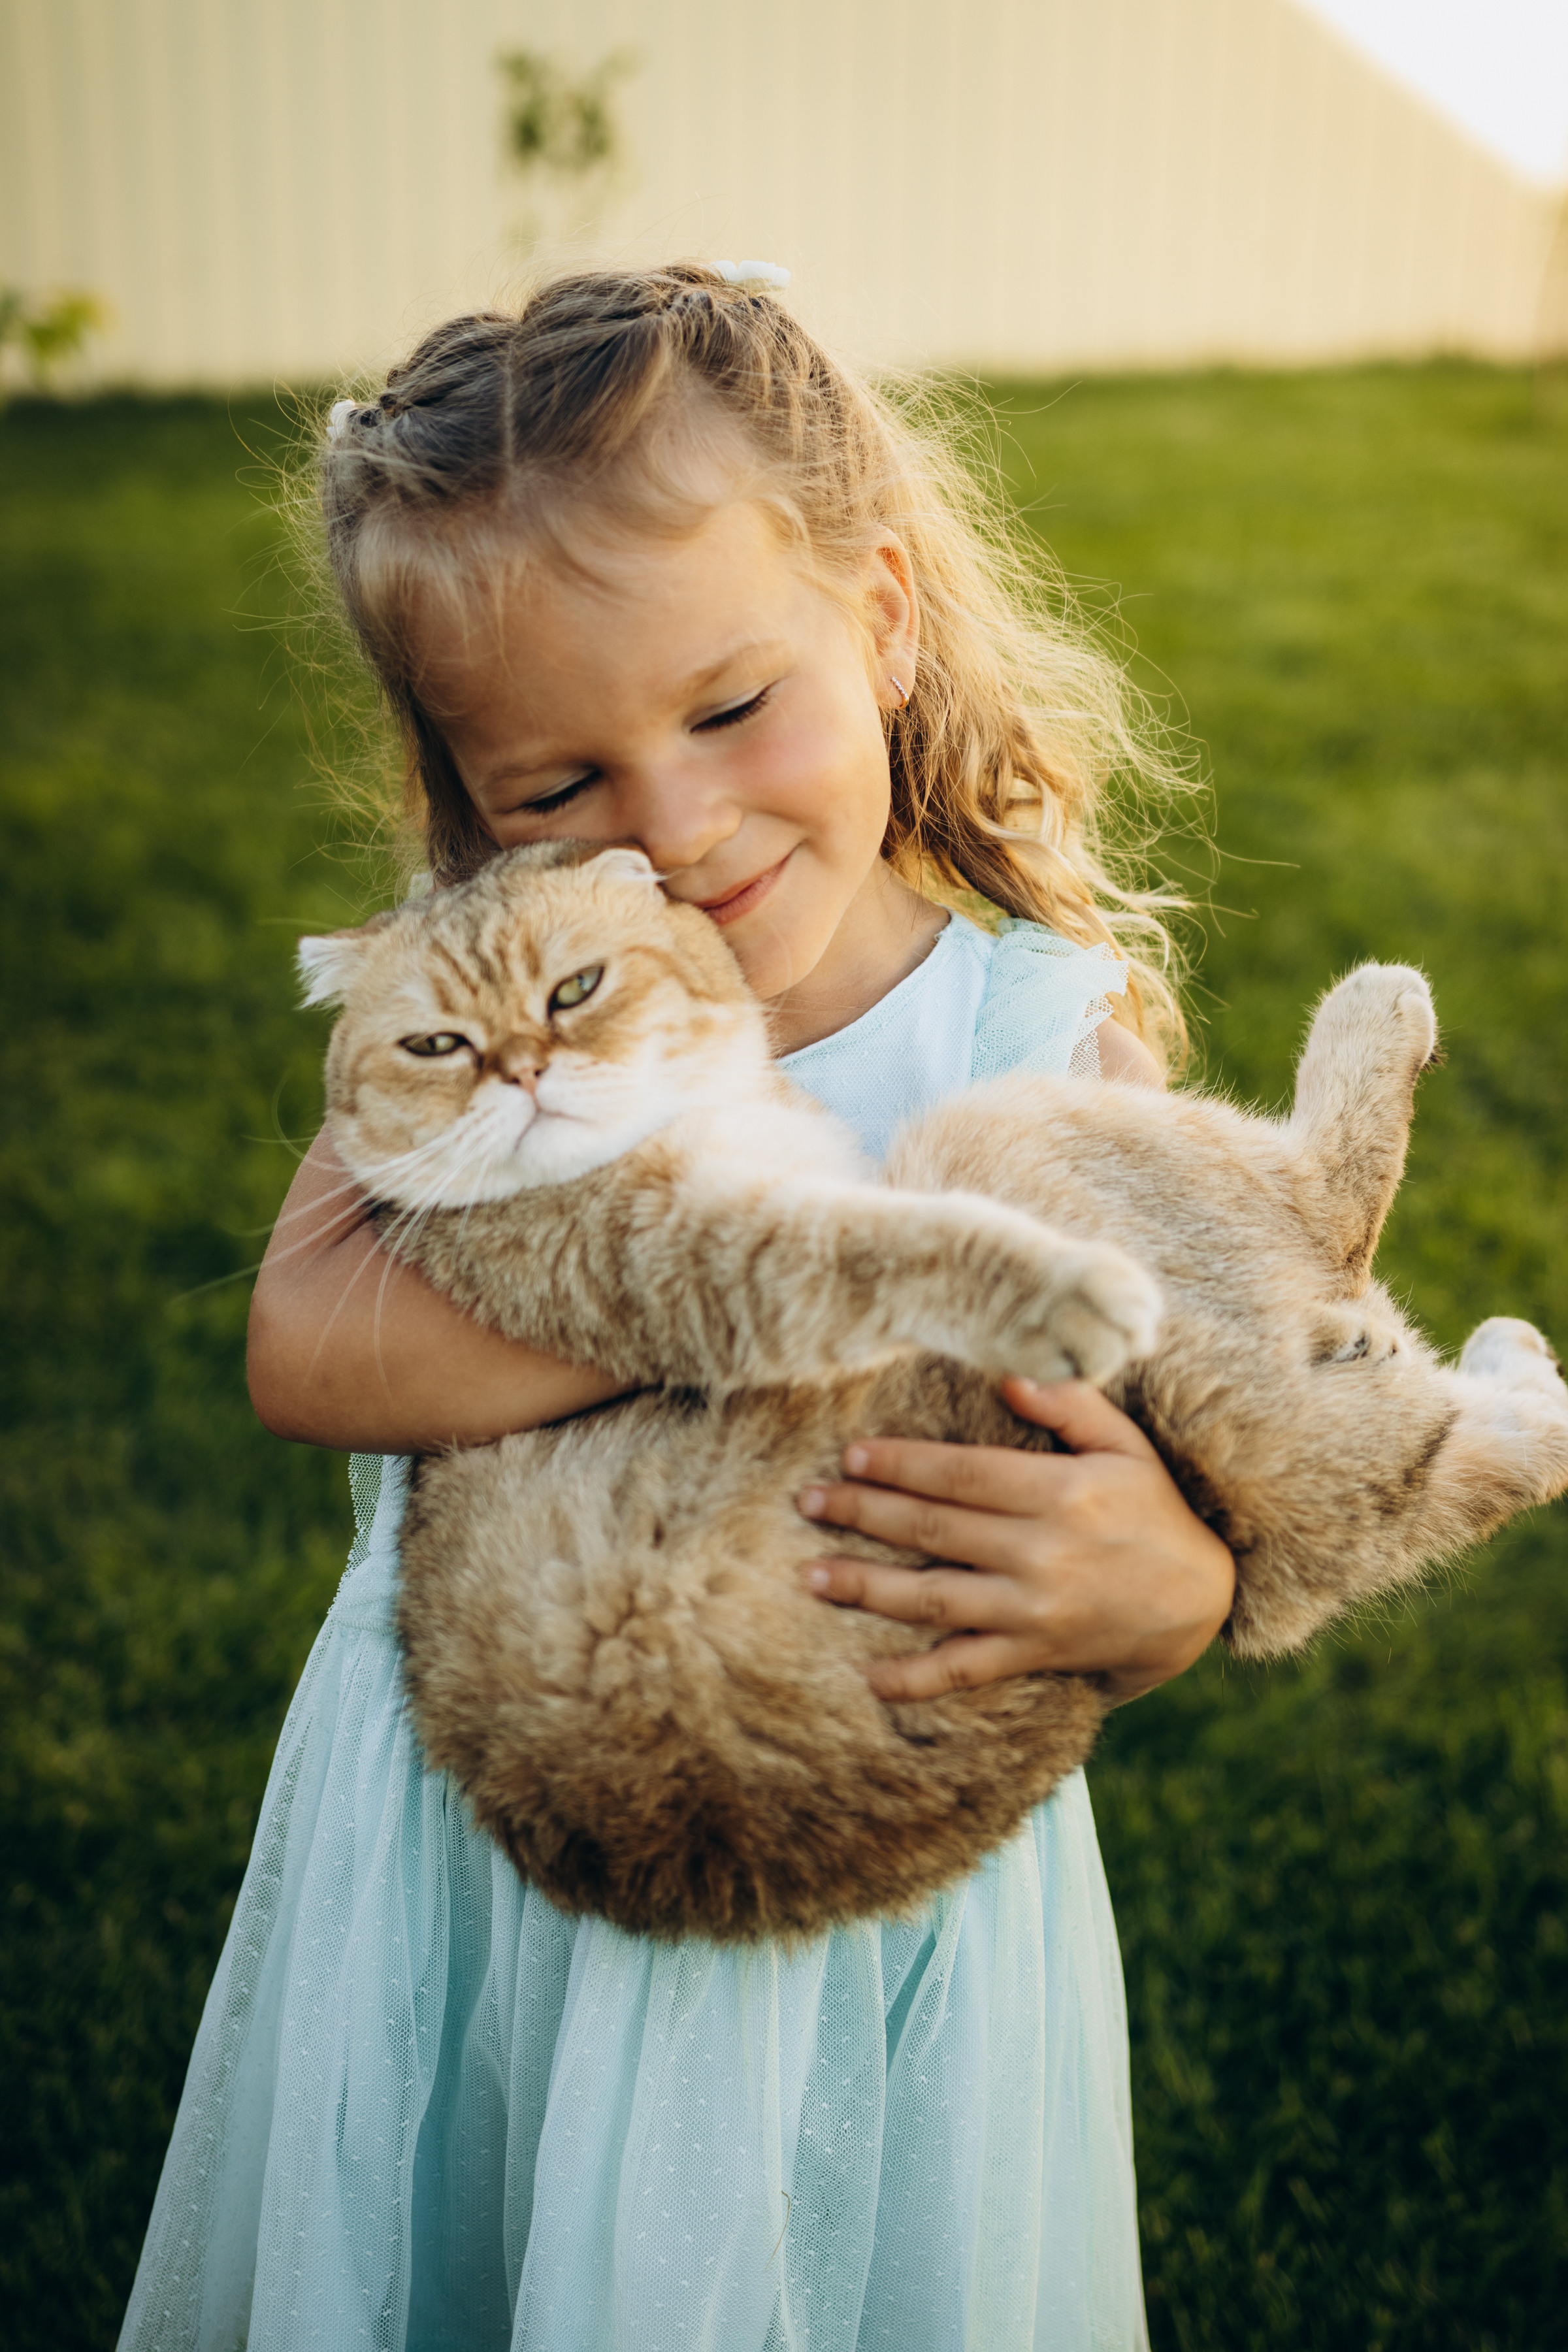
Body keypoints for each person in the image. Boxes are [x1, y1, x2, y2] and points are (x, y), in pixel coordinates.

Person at [120, 262, 1233, 2351]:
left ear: (883, 613)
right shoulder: (473, 1001)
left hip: (850, 1862)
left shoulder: (1034, 1040)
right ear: (474, 797)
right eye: (558, 786)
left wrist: (1169, 1588)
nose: (678, 825)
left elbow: (1185, 1441)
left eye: (732, 710)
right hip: (479, 1842)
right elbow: (306, 1352)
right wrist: (763, 1297)